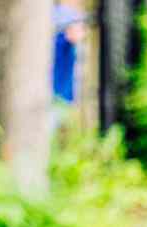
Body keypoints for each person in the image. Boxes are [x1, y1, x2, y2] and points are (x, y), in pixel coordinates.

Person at [51, 1, 87, 137]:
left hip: (60, 92)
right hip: (56, 92)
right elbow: (77, 34)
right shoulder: (66, 14)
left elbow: (76, 34)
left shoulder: (67, 14)